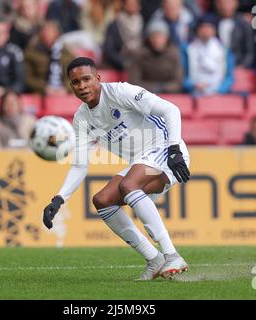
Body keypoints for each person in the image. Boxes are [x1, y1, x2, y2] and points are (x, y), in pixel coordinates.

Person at [42, 57, 191, 281]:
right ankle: (154, 259)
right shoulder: (82, 119)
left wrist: (174, 150)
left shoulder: (121, 93)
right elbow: (80, 164)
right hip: (141, 162)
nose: (82, 86)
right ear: (70, 86)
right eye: (75, 82)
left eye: (86, 79)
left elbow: (171, 110)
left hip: (166, 151)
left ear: (98, 78)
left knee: (128, 185)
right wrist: (59, 198)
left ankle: (171, 254)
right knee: (102, 200)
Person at [181, 18, 235, 95]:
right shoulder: (187, 49)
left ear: (214, 30)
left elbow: (229, 77)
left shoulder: (224, 50)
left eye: (209, 27)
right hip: (194, 94)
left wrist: (220, 90)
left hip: (218, 94)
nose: (206, 30)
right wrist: (192, 85)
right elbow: (182, 75)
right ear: (198, 30)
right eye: (203, 27)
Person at [127, 19, 183, 94]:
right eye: (154, 36)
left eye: (160, 36)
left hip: (168, 96)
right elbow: (134, 82)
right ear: (149, 38)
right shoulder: (139, 55)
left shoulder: (173, 54)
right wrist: (154, 88)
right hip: (144, 96)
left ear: (166, 38)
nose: (157, 40)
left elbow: (178, 82)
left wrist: (163, 88)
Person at [24, 20, 75, 95]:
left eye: (50, 31)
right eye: (45, 31)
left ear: (57, 33)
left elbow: (75, 76)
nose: (47, 34)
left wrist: (65, 88)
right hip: (40, 93)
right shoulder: (31, 53)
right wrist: (44, 88)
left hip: (64, 93)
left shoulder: (67, 54)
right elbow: (27, 78)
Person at [203, 0, 255, 68]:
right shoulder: (208, 22)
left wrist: (242, 67)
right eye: (221, 3)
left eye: (229, 3)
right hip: (214, 66)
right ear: (216, 4)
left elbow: (250, 52)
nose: (225, 6)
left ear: (236, 3)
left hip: (237, 65)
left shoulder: (244, 24)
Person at [102, 0, 144, 71]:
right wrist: (123, 63)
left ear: (139, 6)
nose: (132, 6)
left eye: (134, 4)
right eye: (129, 4)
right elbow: (109, 50)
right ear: (124, 5)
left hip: (138, 62)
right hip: (119, 65)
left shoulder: (142, 23)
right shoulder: (115, 25)